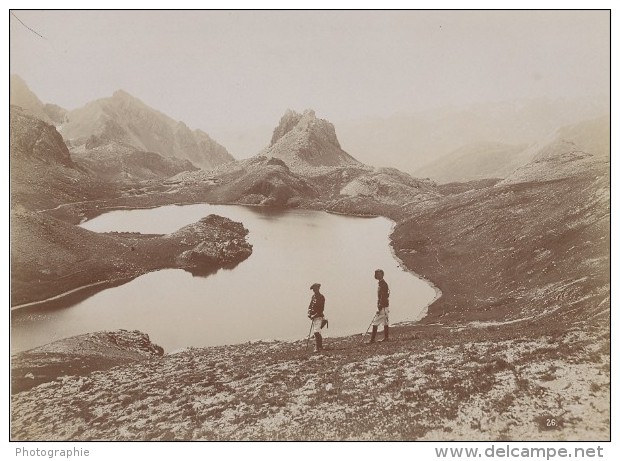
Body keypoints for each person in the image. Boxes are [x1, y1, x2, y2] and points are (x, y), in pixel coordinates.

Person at [368, 269, 390, 343]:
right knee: (385, 321)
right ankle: (386, 338)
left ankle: (372, 339)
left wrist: (380, 306)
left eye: (378, 274)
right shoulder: (382, 283)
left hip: (383, 306)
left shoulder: (383, 284)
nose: (377, 275)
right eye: (376, 274)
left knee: (376, 321)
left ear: (382, 275)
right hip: (385, 306)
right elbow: (385, 295)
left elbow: (383, 296)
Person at [308, 283, 327, 352]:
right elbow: (310, 306)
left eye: (315, 289)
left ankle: (317, 347)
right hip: (313, 317)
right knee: (317, 332)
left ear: (318, 288)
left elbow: (321, 309)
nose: (314, 290)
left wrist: (314, 315)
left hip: (318, 317)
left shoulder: (321, 297)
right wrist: (309, 313)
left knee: (316, 332)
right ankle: (320, 346)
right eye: (313, 289)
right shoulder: (313, 297)